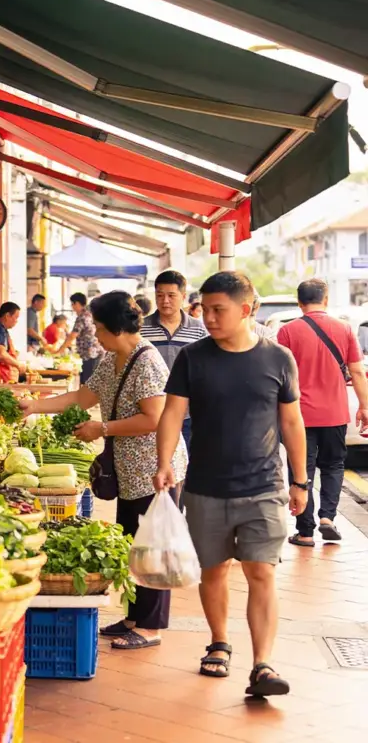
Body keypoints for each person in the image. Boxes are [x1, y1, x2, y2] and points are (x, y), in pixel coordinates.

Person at [155, 271, 308, 698]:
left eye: (218, 309)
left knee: (261, 572)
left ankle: (262, 665)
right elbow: (172, 413)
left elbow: (292, 422)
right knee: (214, 570)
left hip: (265, 487)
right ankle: (219, 642)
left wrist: (300, 481)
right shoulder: (193, 357)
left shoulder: (278, 358)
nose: (208, 318)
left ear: (247, 309)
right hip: (205, 487)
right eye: (203, 309)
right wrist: (165, 462)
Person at [23, 292, 187, 650]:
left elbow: (155, 419)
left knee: (152, 546)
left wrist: (103, 430)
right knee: (132, 543)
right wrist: (33, 404)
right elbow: (82, 398)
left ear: (115, 327)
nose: (95, 334)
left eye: (98, 327)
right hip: (130, 470)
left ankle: (150, 627)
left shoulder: (147, 362)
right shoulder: (113, 359)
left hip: (155, 468)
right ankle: (133, 617)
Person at [276, 278, 368, 545]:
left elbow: (280, 376)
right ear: (325, 299)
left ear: (299, 302)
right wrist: (364, 406)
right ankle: (327, 516)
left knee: (301, 469)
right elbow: (358, 372)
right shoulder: (345, 329)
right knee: (334, 465)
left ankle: (305, 532)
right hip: (335, 413)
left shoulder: (287, 332)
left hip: (298, 416)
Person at [140, 270, 207, 453]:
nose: (165, 301)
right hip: (150, 415)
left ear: (183, 296)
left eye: (171, 295)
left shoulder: (199, 330)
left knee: (188, 470)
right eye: (160, 295)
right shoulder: (141, 330)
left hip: (188, 416)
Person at [62, 292, 104, 383]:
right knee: (88, 380)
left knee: (87, 381)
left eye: (72, 304)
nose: (72, 307)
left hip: (90, 353)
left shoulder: (82, 316)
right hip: (94, 352)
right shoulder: (88, 314)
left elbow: (73, 335)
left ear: (77, 303)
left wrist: (60, 350)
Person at [0, 302, 27, 385]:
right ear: (7, 316)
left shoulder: (1, 329)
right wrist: (18, 365)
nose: (16, 321)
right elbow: (0, 354)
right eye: (16, 317)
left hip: (3, 376)